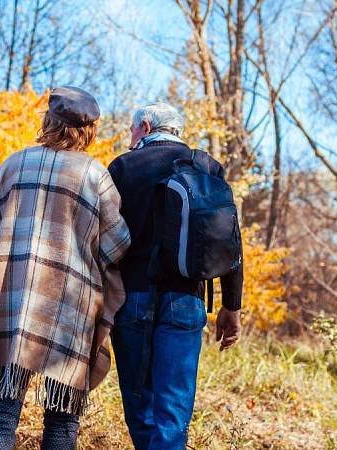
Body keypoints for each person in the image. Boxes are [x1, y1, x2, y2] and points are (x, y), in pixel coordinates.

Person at [0, 86, 131, 450]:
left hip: (7, 300)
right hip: (69, 306)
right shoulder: (94, 174)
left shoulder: (12, 165)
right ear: (88, 130)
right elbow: (117, 246)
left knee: (0, 419)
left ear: (49, 121)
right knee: (61, 424)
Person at [108, 103, 243, 449]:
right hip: (187, 299)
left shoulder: (123, 167)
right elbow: (231, 240)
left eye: (132, 129)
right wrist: (232, 306)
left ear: (146, 126)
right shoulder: (207, 166)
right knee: (174, 411)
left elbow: (103, 239)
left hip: (132, 298)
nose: (129, 136)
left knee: (140, 408)